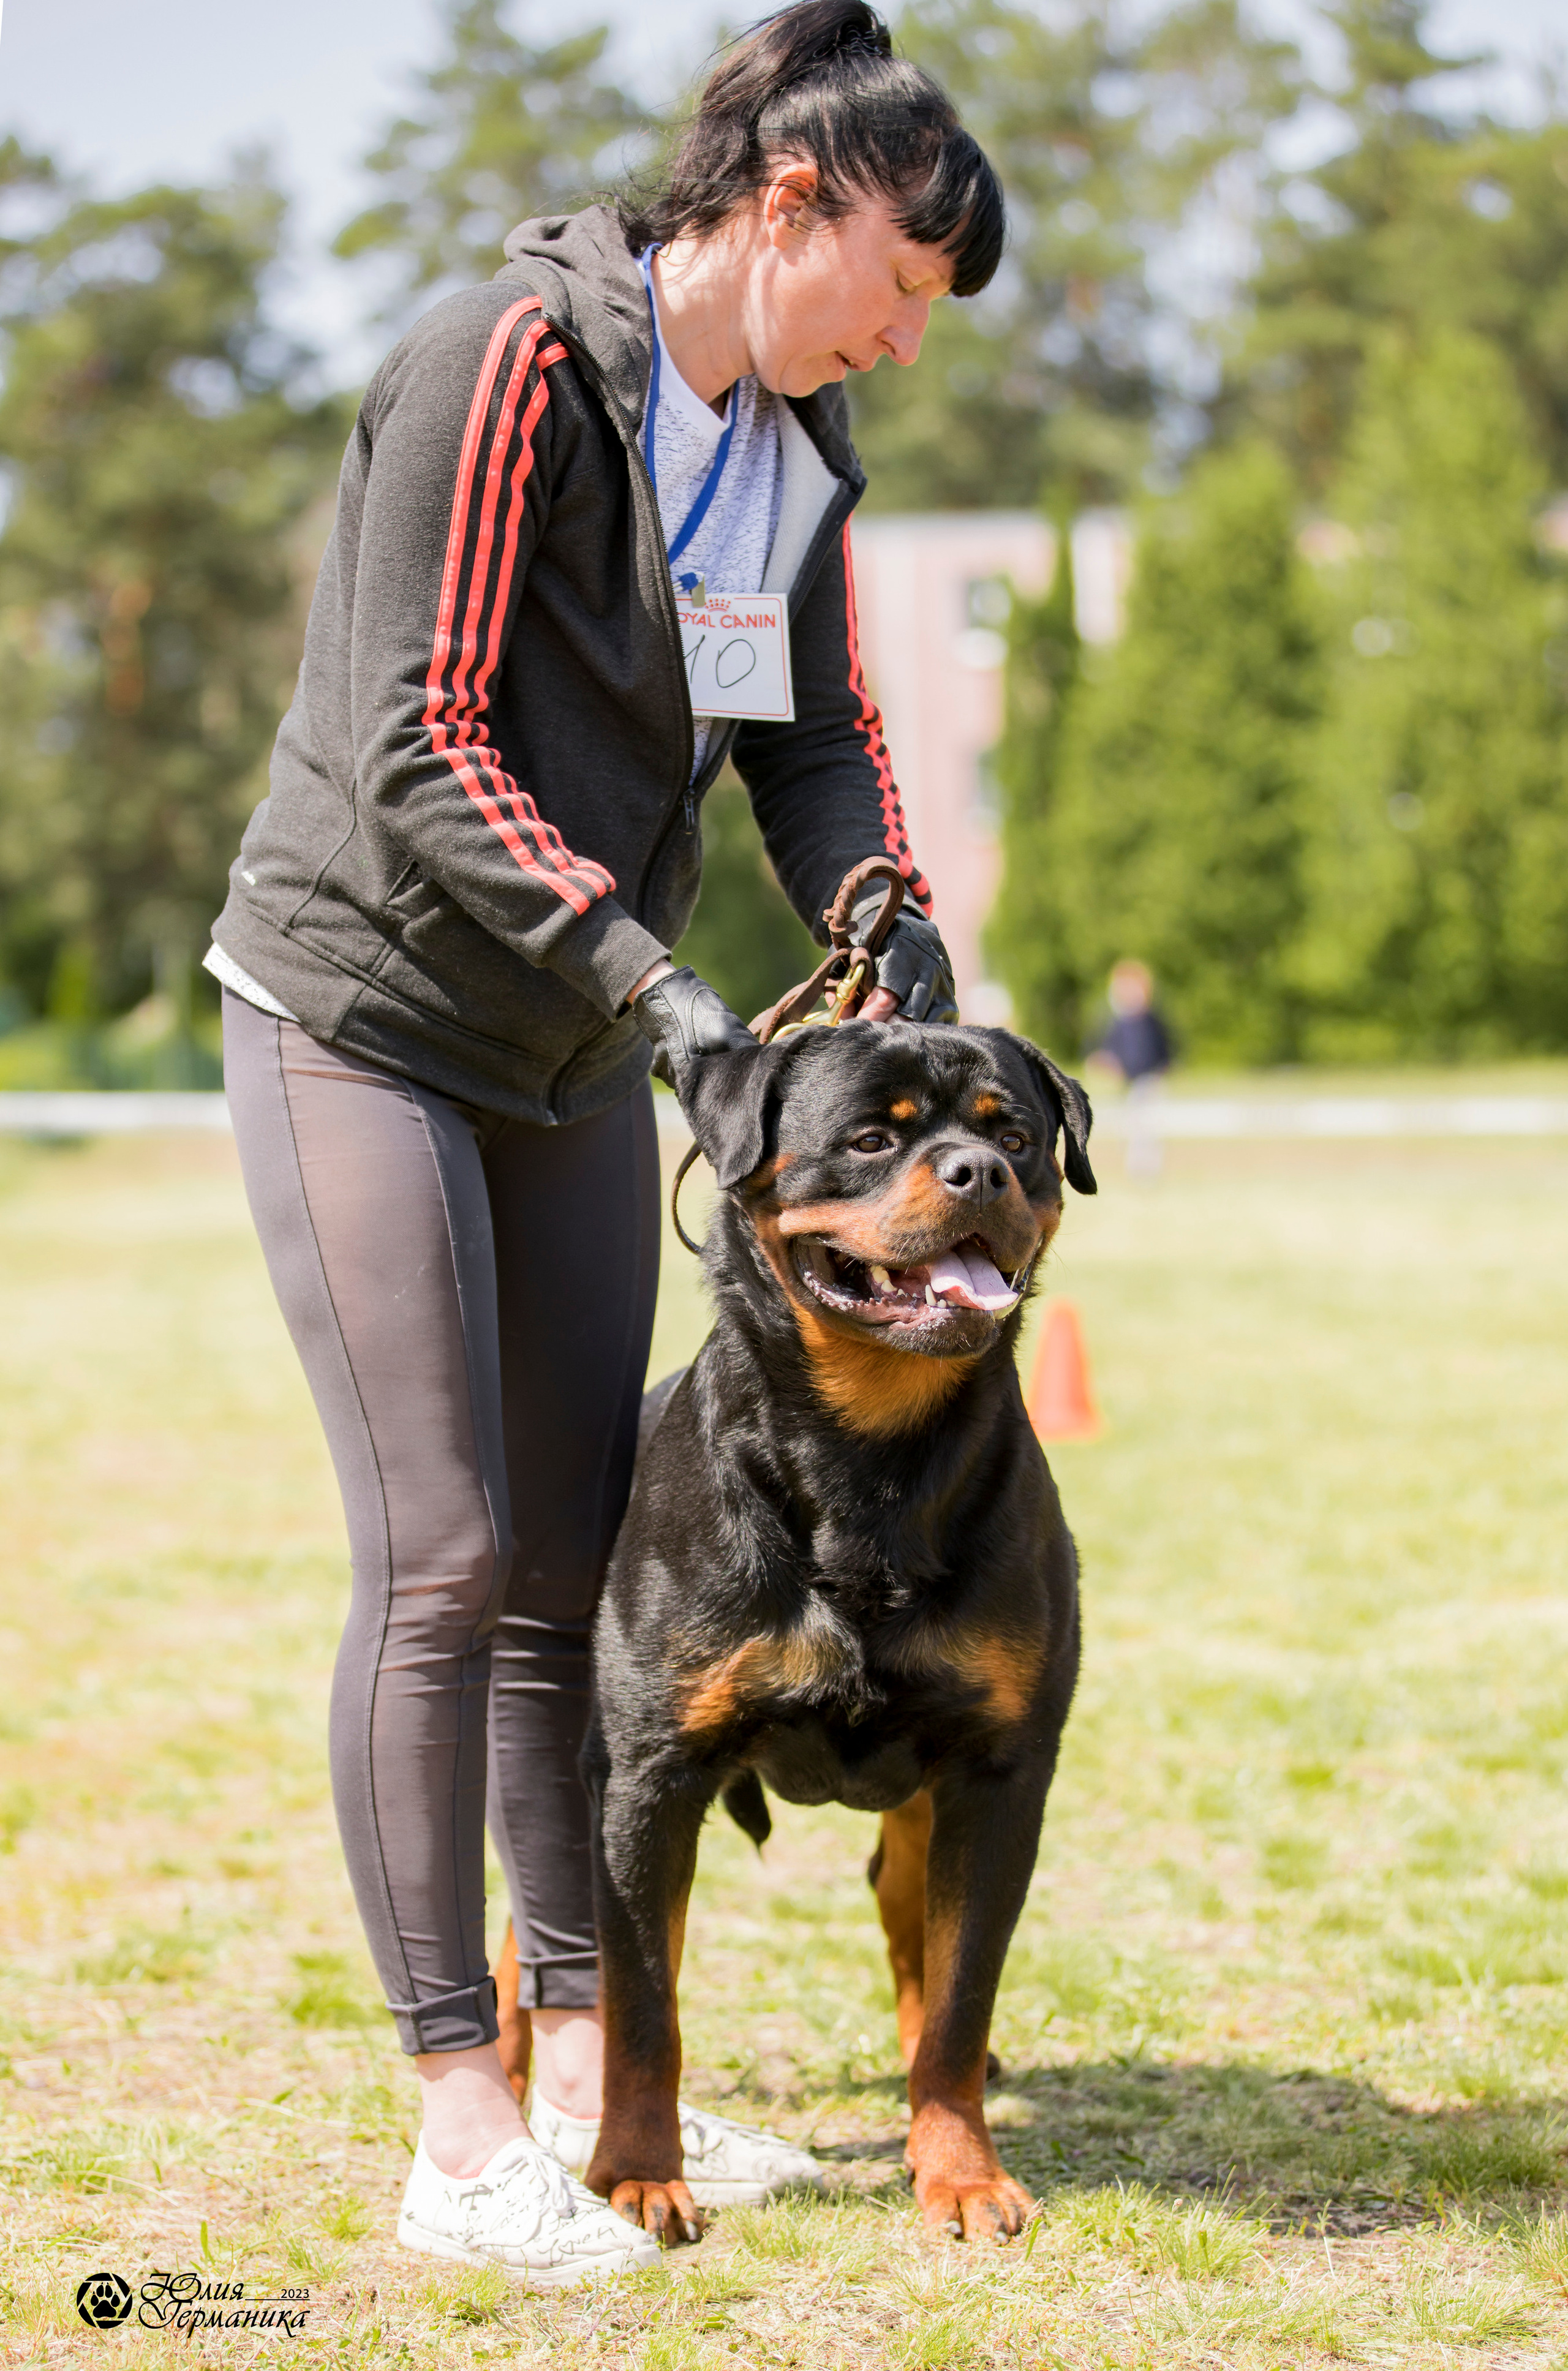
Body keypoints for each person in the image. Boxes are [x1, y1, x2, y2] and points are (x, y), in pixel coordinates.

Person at [205, 0, 1000, 2285]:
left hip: (564, 1040)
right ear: (788, 204)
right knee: (445, 1552)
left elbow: (813, 742)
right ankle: (455, 2123)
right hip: (366, 1008)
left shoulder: (793, 438)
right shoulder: (511, 363)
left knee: (572, 1565)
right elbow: (421, 738)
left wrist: (884, 917)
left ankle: (587, 2070)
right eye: (900, 281)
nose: (904, 339)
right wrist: (662, 991)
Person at [1091, 959, 1174, 1180]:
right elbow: (1105, 1050)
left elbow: (1165, 1049)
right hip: (1125, 1084)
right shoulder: (1118, 1022)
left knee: (1147, 1127)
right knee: (1129, 1127)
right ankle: (1135, 1169)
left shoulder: (1151, 1020)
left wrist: (1162, 1069)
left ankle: (1145, 1172)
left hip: (1148, 1080)